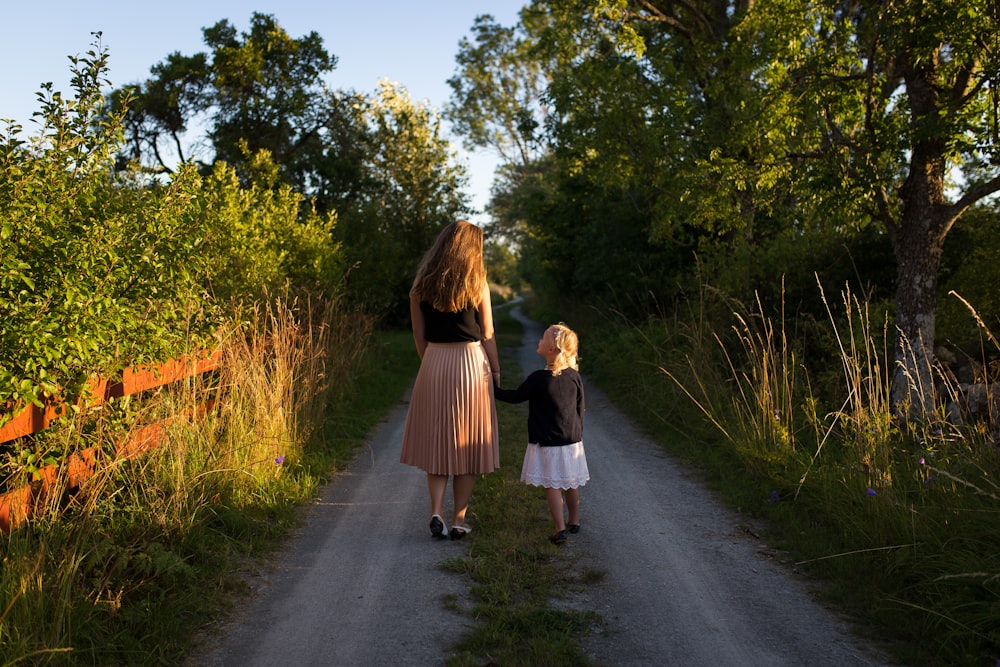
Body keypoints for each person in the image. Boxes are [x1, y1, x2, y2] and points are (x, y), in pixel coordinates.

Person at [400, 220, 500, 540]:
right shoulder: (477, 282)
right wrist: (495, 371)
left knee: (438, 443)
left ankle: (435, 512)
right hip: (470, 363)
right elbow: (487, 334)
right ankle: (458, 519)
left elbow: (419, 334)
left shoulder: (421, 284)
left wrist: (430, 363)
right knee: (467, 444)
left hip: (434, 361)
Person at [494, 323, 588, 545]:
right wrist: (577, 433)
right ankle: (574, 521)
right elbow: (580, 407)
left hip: (548, 441)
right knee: (571, 482)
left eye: (542, 338)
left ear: (552, 349)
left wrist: (492, 389)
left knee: (552, 485)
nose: (538, 340)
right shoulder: (574, 376)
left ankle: (559, 529)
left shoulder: (538, 378)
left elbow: (516, 396)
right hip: (571, 441)